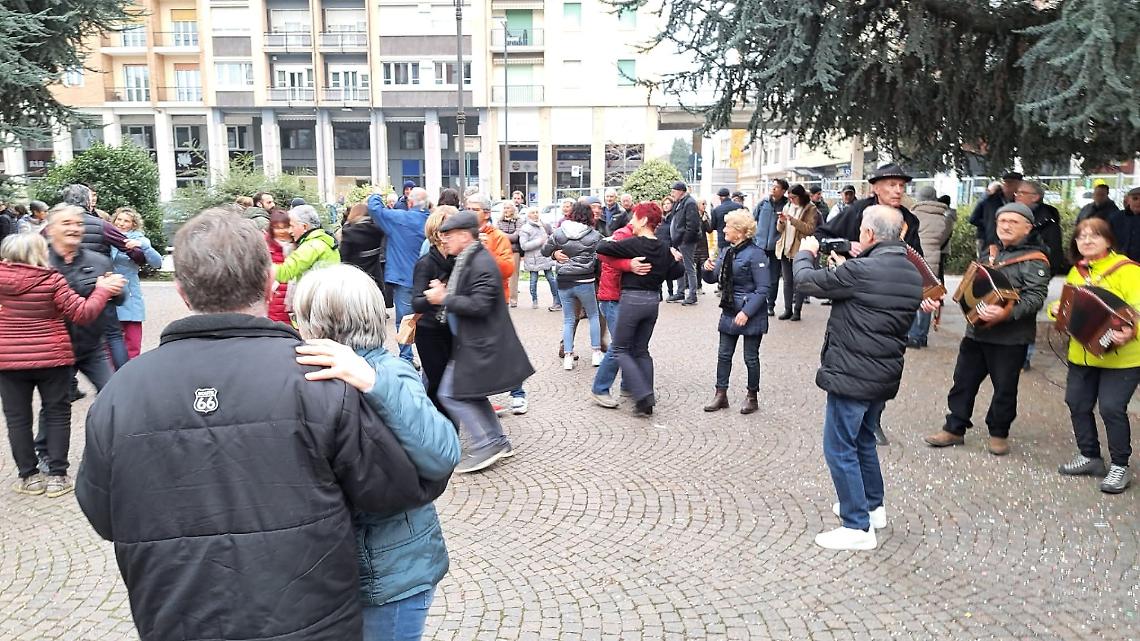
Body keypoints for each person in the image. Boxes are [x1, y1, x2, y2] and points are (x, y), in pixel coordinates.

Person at [76, 210, 447, 641]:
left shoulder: (122, 392)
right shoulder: (320, 379)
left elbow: (104, 514)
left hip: (180, 617)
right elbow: (393, 490)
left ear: (181, 291)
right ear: (270, 285)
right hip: (310, 618)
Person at [290, 265, 460, 640]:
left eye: (299, 316)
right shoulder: (308, 376)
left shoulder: (388, 372)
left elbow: (443, 452)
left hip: (392, 575)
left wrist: (372, 381)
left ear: (319, 323)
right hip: (338, 572)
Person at [793, 206, 923, 550]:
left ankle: (856, 525)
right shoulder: (910, 272)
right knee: (864, 439)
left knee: (839, 446)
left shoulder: (863, 269)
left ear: (868, 234)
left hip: (854, 371)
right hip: (882, 371)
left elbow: (806, 282)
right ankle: (872, 507)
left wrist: (805, 254)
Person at [0, 232, 124, 497]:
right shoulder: (51, 279)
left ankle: (29, 477)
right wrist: (102, 290)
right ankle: (57, 475)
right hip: (52, 359)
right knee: (57, 413)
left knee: (17, 419)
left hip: (8, 361)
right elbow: (83, 313)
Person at [924, 202, 1051, 456]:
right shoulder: (989, 252)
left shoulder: (1036, 259)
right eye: (1002, 221)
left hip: (1011, 338)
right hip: (976, 332)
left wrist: (1006, 312)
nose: (1005, 226)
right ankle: (954, 428)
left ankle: (999, 432)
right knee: (963, 381)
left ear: (1028, 227)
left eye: (1013, 222)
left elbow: (1036, 298)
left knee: (1005, 388)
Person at [423, 211, 535, 473]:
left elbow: (480, 305)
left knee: (451, 393)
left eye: (448, 236)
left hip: (483, 344)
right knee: (469, 393)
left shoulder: (481, 261)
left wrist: (444, 299)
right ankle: (497, 441)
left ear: (464, 235)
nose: (444, 241)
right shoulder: (468, 258)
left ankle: (488, 444)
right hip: (475, 342)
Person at [1051, 218, 1140, 493]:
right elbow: (1067, 301)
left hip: (1123, 356)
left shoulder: (1128, 271)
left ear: (1108, 240)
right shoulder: (1077, 271)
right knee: (1076, 402)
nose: (1087, 241)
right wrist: (1054, 309)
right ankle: (1089, 456)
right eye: (1081, 237)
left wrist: (1132, 330)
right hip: (1083, 353)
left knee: (1112, 408)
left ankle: (1120, 466)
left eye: (1094, 236)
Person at [596, 202, 685, 417]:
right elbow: (678, 271)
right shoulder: (664, 247)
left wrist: (623, 255)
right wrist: (671, 258)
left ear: (644, 221)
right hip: (652, 302)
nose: (632, 222)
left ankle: (643, 394)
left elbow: (601, 248)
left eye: (635, 218)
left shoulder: (635, 243)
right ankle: (647, 400)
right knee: (641, 350)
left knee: (620, 349)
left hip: (632, 301)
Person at [47, 204, 127, 397]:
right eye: (66, 223)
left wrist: (117, 291)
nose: (74, 228)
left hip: (92, 346)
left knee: (113, 396)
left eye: (78, 224)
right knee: (56, 406)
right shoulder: (39, 261)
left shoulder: (99, 261)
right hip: (55, 349)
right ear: (50, 229)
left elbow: (118, 300)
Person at [700, 210, 770, 414]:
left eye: (728, 227)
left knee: (750, 357)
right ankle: (720, 394)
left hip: (751, 312)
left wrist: (747, 312)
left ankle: (752, 397)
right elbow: (713, 278)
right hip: (730, 308)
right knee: (723, 355)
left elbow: (763, 288)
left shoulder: (756, 254)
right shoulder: (726, 251)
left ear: (739, 232)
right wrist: (706, 268)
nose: (723, 230)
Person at [591, 209, 650, 408]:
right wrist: (628, 265)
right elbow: (602, 254)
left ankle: (628, 385)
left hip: (623, 297)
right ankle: (600, 389)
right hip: (612, 298)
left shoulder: (640, 236)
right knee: (620, 346)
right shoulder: (623, 234)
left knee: (629, 344)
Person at [368, 187, 431, 363]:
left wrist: (376, 194)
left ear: (410, 202)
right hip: (428, 279)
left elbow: (375, 210)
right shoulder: (432, 220)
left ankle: (406, 358)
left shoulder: (400, 218)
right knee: (428, 321)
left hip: (404, 277)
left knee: (404, 321)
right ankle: (428, 357)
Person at [542, 201, 603, 369]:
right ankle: (596, 354)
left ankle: (568, 357)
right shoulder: (594, 235)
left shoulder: (559, 232)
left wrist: (554, 254)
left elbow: (544, 251)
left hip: (564, 280)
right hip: (585, 280)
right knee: (593, 316)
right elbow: (604, 254)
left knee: (568, 319)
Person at [815, 163, 923, 256]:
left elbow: (918, 259)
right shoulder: (858, 211)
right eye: (892, 185)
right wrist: (847, 246)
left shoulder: (909, 220)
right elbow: (820, 235)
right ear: (876, 188)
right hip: (857, 276)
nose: (898, 191)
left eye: (902, 185)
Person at [413, 207, 458, 422]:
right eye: (453, 229)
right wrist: (434, 297)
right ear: (440, 235)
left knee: (451, 386)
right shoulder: (426, 264)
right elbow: (416, 303)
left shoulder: (457, 261)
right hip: (430, 333)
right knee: (439, 386)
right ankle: (443, 435)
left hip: (453, 330)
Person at [109, 207, 163, 362]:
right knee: (110, 340)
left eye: (126, 221)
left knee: (132, 339)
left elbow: (157, 262)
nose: (121, 223)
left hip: (130, 291)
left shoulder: (140, 240)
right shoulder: (107, 236)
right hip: (110, 290)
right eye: (119, 219)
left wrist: (142, 246)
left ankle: (131, 370)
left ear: (133, 224)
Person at [907, 186, 957, 348]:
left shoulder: (912, 215)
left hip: (915, 259)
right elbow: (943, 240)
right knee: (929, 297)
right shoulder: (945, 218)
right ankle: (923, 335)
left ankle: (913, 335)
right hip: (933, 261)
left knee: (914, 298)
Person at [774, 184, 820, 321]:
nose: (791, 200)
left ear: (800, 196)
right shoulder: (787, 206)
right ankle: (787, 309)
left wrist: (792, 220)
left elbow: (810, 229)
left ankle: (797, 310)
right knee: (787, 281)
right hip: (785, 248)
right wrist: (781, 221)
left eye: (793, 197)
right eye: (789, 197)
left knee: (799, 281)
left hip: (799, 249)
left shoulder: (810, 208)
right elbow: (779, 229)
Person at [274, 204, 339, 292]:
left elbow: (285, 272)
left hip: (315, 299)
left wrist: (260, 267)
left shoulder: (312, 245)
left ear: (304, 226)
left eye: (291, 226)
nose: (289, 231)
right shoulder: (324, 240)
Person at [751, 179, 789, 316]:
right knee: (757, 275)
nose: (773, 189)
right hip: (760, 246)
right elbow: (752, 219)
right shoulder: (763, 203)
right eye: (772, 186)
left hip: (776, 247)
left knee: (773, 278)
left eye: (777, 187)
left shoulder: (787, 205)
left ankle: (770, 304)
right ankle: (756, 303)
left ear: (783, 191)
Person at [1014, 180, 1065, 275]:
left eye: (1022, 193)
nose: (1017, 196)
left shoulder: (1048, 221)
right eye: (1017, 192)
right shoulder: (1013, 216)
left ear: (1035, 197)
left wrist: (1042, 273)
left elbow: (1055, 254)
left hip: (1036, 272)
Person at [968, 172, 1021, 259]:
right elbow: (973, 219)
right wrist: (989, 223)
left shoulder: (1018, 201)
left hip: (1010, 242)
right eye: (1007, 184)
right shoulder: (989, 200)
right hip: (989, 240)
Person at [339, 202, 388, 294]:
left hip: (355, 279)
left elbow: (343, 258)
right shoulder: (378, 231)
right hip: (376, 278)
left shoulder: (349, 233)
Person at [667, 181, 702, 305]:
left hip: (686, 242)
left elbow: (692, 225)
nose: (672, 193)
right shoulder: (680, 202)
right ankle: (680, 292)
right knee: (680, 266)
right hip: (679, 240)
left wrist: (684, 240)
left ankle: (692, 294)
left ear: (681, 191)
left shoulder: (690, 203)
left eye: (674, 191)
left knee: (689, 267)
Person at [518, 206, 559, 310]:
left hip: (545, 256)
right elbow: (524, 246)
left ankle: (556, 299)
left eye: (537, 212)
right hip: (533, 259)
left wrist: (548, 241)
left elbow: (552, 237)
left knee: (551, 279)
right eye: (533, 212)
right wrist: (539, 241)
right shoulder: (525, 228)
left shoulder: (544, 225)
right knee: (533, 280)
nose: (535, 214)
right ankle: (534, 300)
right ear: (528, 215)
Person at [264, 209, 294, 324]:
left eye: (284, 227)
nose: (281, 231)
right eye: (277, 227)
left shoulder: (298, 245)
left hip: (293, 294)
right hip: (275, 296)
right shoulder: (266, 247)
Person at [496, 201, 523, 308]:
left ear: (513, 209)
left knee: (513, 275)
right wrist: (506, 236)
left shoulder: (519, 220)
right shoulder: (499, 220)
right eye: (505, 208)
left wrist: (502, 235)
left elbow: (516, 236)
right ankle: (502, 298)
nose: (506, 210)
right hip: (501, 250)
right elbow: (496, 234)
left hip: (514, 251)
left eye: (508, 208)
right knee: (500, 274)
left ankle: (513, 299)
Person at [1110, 187, 1140, 261]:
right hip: (1119, 262)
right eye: (1135, 198)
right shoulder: (1115, 218)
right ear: (1128, 200)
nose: (1139, 202)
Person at [660, 195, 677, 298]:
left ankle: (671, 292)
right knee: (659, 270)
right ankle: (660, 293)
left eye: (668, 203)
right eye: (664, 204)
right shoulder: (660, 218)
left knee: (668, 270)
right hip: (660, 246)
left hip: (670, 246)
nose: (666, 206)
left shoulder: (674, 217)